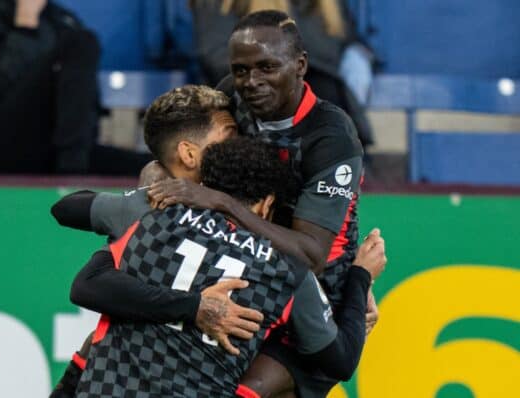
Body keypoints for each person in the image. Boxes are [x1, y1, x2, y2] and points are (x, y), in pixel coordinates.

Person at [50, 85, 385, 398]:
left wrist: (120, 248)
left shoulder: (152, 214)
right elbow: (340, 360)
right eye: (227, 137)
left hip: (107, 386)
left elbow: (67, 212)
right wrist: (358, 278)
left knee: (98, 341)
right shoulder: (286, 268)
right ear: (268, 204)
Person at [147, 10, 377, 397]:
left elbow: (312, 253)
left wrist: (221, 202)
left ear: (300, 65)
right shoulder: (231, 100)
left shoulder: (330, 136)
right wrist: (156, 175)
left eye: (267, 68)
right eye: (241, 70)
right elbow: (177, 159)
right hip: (245, 282)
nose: (251, 83)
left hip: (315, 299)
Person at [0, 0, 152, 175]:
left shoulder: (62, 19)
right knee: (81, 42)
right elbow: (2, 76)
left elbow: (84, 99)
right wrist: (26, 22)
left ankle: (74, 168)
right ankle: (72, 178)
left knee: (155, 166)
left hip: (57, 149)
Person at [189, 0, 374, 148]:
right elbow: (216, 55)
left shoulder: (328, 5)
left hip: (319, 84)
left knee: (353, 63)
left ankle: (334, 156)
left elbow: (346, 41)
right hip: (255, 86)